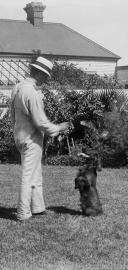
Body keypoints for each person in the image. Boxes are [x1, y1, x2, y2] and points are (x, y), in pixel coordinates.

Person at [10, 56, 71, 221]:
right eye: (46, 76)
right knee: (29, 175)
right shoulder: (32, 92)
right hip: (32, 138)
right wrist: (58, 128)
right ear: (40, 73)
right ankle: (23, 213)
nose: (46, 79)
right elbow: (40, 122)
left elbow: (12, 114)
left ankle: (38, 208)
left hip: (20, 136)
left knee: (35, 173)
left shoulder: (17, 87)